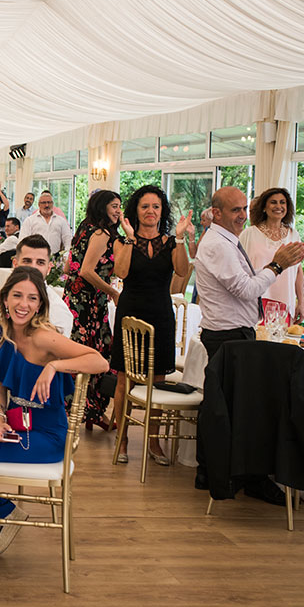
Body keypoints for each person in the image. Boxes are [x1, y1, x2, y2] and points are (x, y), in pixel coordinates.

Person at [0, 267, 109, 556]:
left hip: (47, 435)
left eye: (32, 298)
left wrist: (54, 366)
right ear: (4, 299)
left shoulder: (42, 338)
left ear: (40, 304)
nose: (23, 304)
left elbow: (99, 362)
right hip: (16, 425)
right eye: (16, 295)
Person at [192, 186, 304, 500]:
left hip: (235, 332)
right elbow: (245, 289)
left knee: (228, 406)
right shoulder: (218, 244)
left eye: (245, 208)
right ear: (216, 213)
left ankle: (217, 472)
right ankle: (232, 475)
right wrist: (278, 265)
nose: (243, 215)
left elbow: (246, 283)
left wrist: (279, 266)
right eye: (235, 210)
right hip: (228, 336)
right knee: (242, 409)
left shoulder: (227, 241)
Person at [110, 186, 194, 462]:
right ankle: (121, 440)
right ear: (136, 210)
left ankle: (154, 441)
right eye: (145, 206)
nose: (150, 211)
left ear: (162, 211)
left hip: (160, 315)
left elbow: (182, 271)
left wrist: (180, 238)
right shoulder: (122, 241)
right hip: (130, 314)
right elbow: (120, 272)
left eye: (155, 207)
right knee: (124, 380)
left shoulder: (170, 242)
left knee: (158, 380)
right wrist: (132, 239)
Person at [63, 190, 121, 430]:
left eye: (120, 206)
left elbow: (68, 266)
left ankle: (85, 411)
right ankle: (90, 411)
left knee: (78, 354)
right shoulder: (101, 232)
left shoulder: (85, 227)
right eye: (114, 206)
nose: (119, 210)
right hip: (88, 305)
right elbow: (86, 270)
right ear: (102, 207)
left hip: (76, 300)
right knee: (94, 357)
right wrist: (113, 291)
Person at [239, 187, 304, 324]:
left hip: (285, 304)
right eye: (273, 202)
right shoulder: (249, 234)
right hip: (256, 303)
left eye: (283, 202)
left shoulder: (294, 235)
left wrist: (301, 303)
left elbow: (298, 271)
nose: (279, 206)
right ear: (264, 207)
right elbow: (239, 269)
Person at [0, 235, 73, 337]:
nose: (33, 268)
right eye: (27, 261)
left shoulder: (58, 311)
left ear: (49, 268)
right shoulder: (10, 296)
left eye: (40, 263)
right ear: (15, 264)